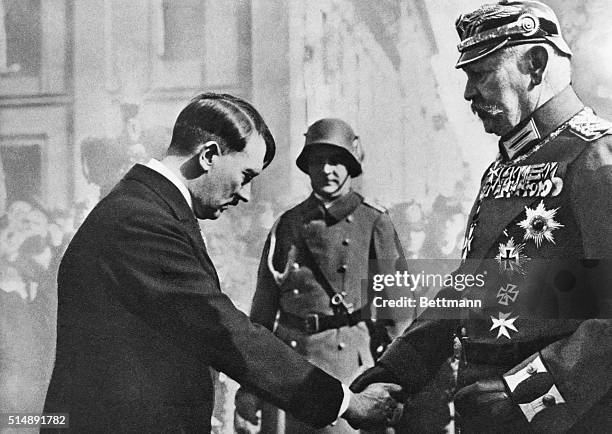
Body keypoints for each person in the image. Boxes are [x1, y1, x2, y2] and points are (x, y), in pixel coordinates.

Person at [42, 93, 404, 433]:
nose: (245, 195)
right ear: (209, 155)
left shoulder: (151, 207)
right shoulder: (143, 220)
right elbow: (223, 328)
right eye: (245, 176)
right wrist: (344, 403)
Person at [351, 1, 612, 432]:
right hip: (490, 409)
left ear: (535, 63)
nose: (469, 93)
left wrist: (529, 395)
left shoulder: (594, 155)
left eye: (481, 73)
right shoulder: (507, 164)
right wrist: (400, 367)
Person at [234, 118, 411, 433]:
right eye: (318, 161)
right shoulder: (287, 224)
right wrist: (249, 388)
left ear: (351, 165)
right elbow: (261, 315)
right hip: (291, 366)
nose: (327, 170)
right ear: (308, 167)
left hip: (349, 371)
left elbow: (398, 313)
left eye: (337, 161)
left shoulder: (374, 222)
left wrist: (398, 383)